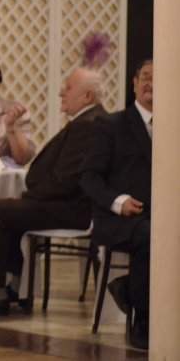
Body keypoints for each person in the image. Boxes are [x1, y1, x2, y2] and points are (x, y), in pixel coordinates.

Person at [0, 67, 107, 315]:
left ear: (87, 96)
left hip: (72, 209)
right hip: (70, 204)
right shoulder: (90, 120)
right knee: (11, 209)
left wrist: (29, 196)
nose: (61, 92)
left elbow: (65, 181)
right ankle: (16, 285)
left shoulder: (89, 124)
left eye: (68, 88)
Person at [80, 59, 152, 350]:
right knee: (151, 237)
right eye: (146, 77)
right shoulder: (110, 125)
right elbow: (89, 177)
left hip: (163, 216)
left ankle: (129, 289)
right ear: (134, 84)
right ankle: (145, 320)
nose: (151, 84)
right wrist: (118, 202)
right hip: (120, 219)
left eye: (159, 78)